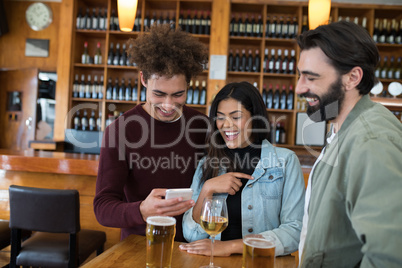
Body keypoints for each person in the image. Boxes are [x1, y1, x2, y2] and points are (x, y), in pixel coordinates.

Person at [296, 21, 402, 267]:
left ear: (352, 78)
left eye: (311, 77)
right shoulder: (343, 130)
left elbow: (390, 257)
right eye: (299, 75)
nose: (299, 88)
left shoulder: (371, 141)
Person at [93, 23, 210, 242]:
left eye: (178, 95)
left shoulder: (202, 126)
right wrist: (142, 210)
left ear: (189, 85)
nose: (168, 105)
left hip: (194, 245)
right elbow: (103, 208)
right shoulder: (120, 130)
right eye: (159, 94)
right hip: (140, 245)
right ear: (143, 80)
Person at [179, 81, 305, 257]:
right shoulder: (207, 164)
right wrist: (207, 189)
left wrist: (229, 247)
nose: (226, 124)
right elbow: (191, 235)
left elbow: (294, 232)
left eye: (236, 116)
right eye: (220, 117)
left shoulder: (286, 161)